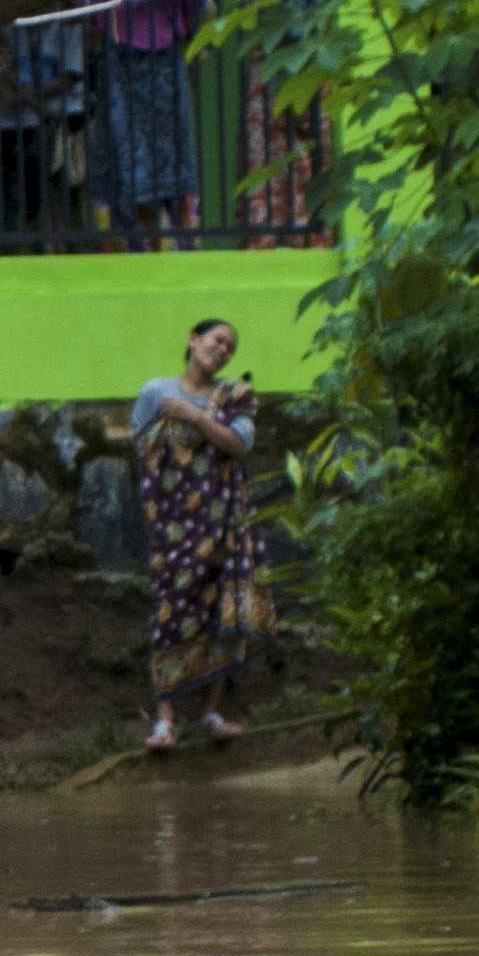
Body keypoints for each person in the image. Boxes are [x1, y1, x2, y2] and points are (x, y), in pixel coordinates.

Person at [136, 316, 268, 749]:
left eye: (230, 347)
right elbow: (145, 453)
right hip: (174, 525)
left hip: (223, 522)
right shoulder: (156, 392)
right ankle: (166, 722)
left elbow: (240, 444)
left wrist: (193, 416)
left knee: (223, 611)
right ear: (193, 340)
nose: (223, 350)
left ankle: (211, 713)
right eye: (217, 340)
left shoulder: (233, 396)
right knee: (169, 610)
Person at [91, 0, 203, 242]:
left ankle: (179, 239)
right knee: (123, 150)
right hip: (121, 68)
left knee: (173, 152)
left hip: (166, 68)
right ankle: (131, 241)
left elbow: (198, 7)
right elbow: (92, 14)